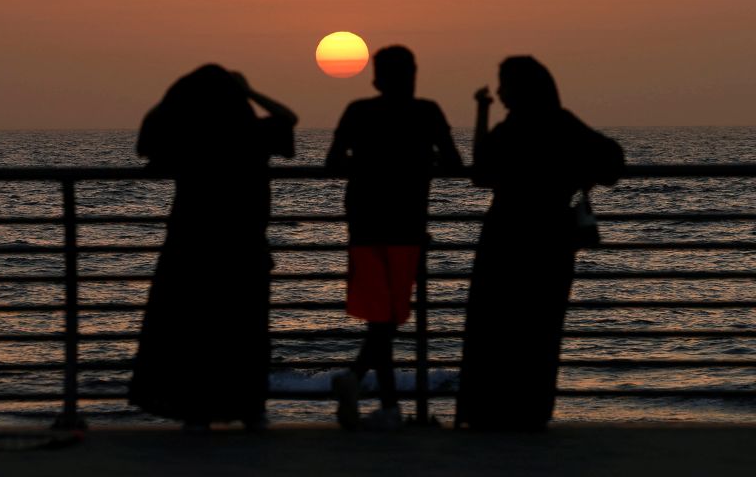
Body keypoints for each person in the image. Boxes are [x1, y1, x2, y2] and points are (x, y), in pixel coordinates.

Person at [456, 56, 624, 431]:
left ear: (518, 89)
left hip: (505, 237)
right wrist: (579, 176)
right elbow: (612, 162)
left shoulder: (511, 129)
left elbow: (481, 172)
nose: (500, 92)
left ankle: (487, 410)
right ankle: (531, 410)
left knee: (495, 327)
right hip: (551, 239)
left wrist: (481, 111)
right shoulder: (562, 123)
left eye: (504, 85)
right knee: (540, 328)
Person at [128, 64, 297, 431]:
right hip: (244, 249)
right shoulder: (253, 134)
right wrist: (250, 91)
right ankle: (249, 409)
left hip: (191, 250)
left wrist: (174, 96)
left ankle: (197, 412)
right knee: (246, 332)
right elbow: (288, 117)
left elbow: (146, 141)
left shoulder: (187, 139)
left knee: (195, 333)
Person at [326, 45, 463, 430]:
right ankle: (368, 389)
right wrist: (421, 161)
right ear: (412, 76)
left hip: (365, 223)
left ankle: (381, 400)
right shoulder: (428, 112)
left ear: (376, 79)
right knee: (387, 318)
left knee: (379, 318)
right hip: (406, 225)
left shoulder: (358, 111)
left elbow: (333, 163)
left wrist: (366, 163)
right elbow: (455, 163)